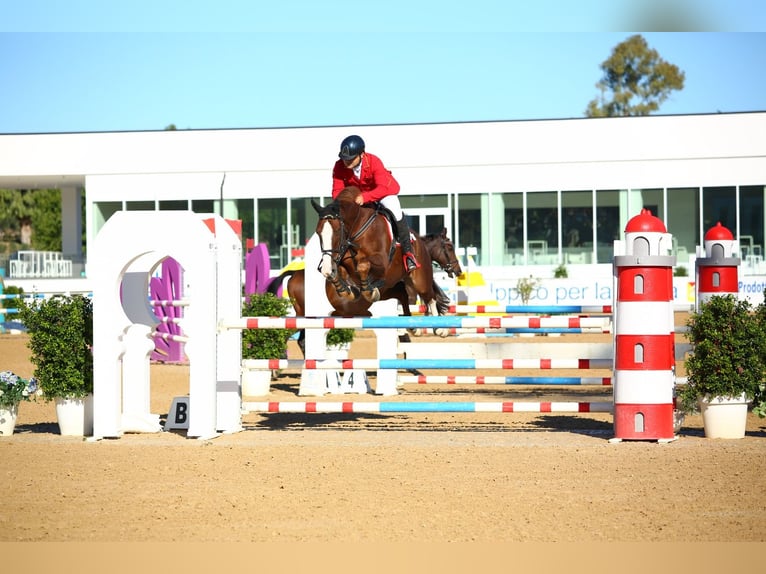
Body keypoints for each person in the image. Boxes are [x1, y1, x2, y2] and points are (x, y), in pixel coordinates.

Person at [332, 134, 420, 272]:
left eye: (350, 159)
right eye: (344, 159)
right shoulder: (339, 166)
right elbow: (337, 191)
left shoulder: (374, 161)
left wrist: (365, 197)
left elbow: (382, 187)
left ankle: (408, 253)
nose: (346, 162)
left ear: (362, 154)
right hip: (358, 197)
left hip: (382, 192)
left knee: (395, 210)